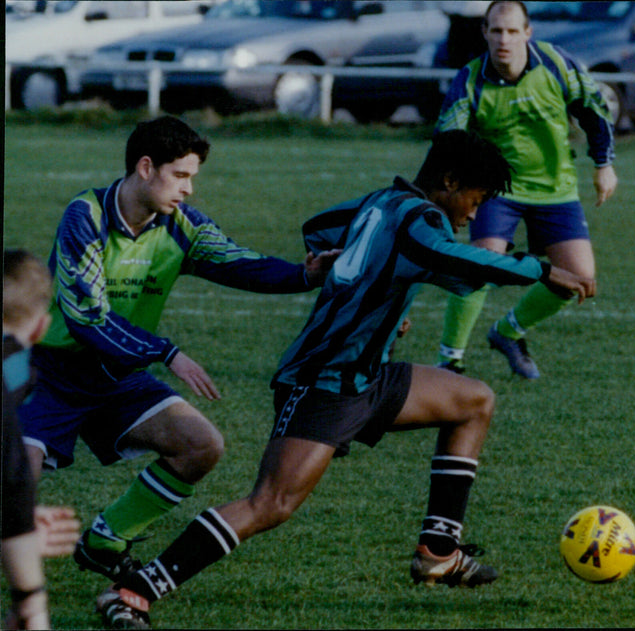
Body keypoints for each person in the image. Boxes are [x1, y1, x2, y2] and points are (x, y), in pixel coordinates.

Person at [94, 129, 596, 629]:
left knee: (473, 401)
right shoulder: (421, 219)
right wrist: (538, 270)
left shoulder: (382, 202)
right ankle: (134, 591)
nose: (474, 214)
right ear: (449, 182)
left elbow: (319, 229)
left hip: (367, 376)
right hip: (324, 380)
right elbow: (448, 255)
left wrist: (370, 286)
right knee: (270, 503)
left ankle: (439, 552)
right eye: (476, 199)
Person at [16, 116, 339, 590]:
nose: (188, 189)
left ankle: (105, 542)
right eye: (180, 175)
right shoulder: (85, 217)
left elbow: (238, 262)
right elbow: (87, 318)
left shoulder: (184, 226)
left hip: (118, 376)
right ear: (146, 167)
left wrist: (303, 275)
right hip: (50, 374)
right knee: (15, 482)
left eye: (192, 177)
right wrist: (167, 352)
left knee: (201, 445)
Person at [435, 0, 618, 379]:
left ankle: (508, 332)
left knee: (580, 279)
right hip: (496, 190)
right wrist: (445, 191)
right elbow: (447, 140)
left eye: (512, 31)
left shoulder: (557, 64)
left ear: (527, 33)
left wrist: (604, 164)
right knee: (479, 264)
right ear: (485, 33)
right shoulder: (469, 80)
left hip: (556, 189)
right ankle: (450, 360)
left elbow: (595, 108)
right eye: (497, 31)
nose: (504, 39)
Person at [3, 249, 81, 630]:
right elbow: (13, 482)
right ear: (40, 328)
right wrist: (30, 602)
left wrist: (14, 520)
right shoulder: (13, 373)